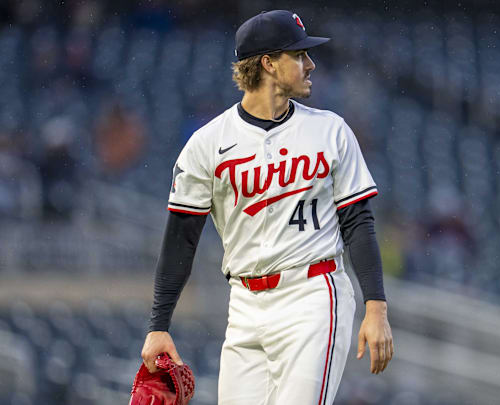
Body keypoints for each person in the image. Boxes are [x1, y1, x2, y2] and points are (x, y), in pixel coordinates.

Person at [139, 10, 393, 405]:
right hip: (244, 304)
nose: (310, 64)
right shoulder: (208, 143)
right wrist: (158, 326)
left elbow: (358, 221)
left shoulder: (330, 131)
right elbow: (180, 241)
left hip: (313, 292)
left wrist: (375, 306)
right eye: (299, 55)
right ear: (268, 63)